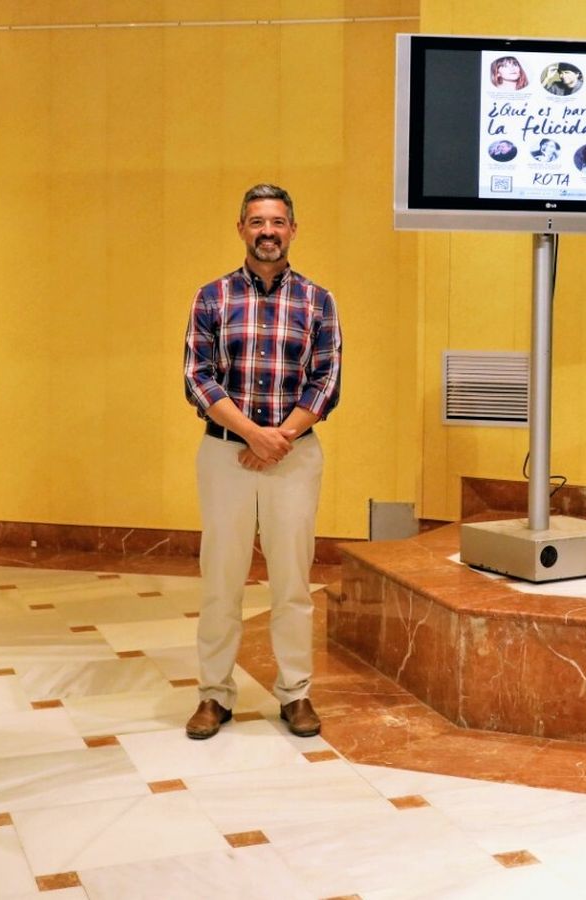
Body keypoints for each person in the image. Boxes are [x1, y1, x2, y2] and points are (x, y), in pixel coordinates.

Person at [183, 184, 342, 741]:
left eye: (277, 222)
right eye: (256, 222)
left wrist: (281, 438)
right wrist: (252, 433)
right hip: (225, 455)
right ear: (241, 228)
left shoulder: (319, 301)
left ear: (293, 230)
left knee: (292, 582)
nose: (267, 232)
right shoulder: (211, 297)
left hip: (295, 458)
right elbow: (197, 377)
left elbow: (327, 380)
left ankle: (296, 694)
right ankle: (213, 694)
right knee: (220, 580)